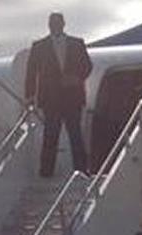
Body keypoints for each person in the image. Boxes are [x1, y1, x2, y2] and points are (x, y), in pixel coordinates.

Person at [25, 12, 93, 177]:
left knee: (75, 134)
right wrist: (30, 95)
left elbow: (87, 66)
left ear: (63, 24)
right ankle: (46, 171)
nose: (54, 25)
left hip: (72, 96)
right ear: (49, 25)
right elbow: (31, 72)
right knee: (51, 135)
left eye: (57, 22)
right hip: (50, 98)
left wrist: (76, 78)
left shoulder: (77, 43)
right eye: (52, 23)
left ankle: (82, 170)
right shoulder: (39, 46)